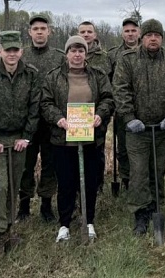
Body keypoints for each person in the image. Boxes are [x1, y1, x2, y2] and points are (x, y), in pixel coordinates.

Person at [113, 18, 165, 234]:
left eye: (157, 35)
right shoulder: (128, 60)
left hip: (163, 129)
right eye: (148, 35)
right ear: (142, 38)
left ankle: (156, 205)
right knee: (138, 171)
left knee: (157, 169)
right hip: (137, 130)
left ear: (162, 38)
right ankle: (140, 213)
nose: (153, 39)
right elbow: (120, 89)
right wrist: (129, 117)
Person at [40, 36, 114, 242]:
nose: (77, 54)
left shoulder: (98, 76)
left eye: (81, 50)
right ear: (66, 54)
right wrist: (59, 119)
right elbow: (45, 103)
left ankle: (88, 221)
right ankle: (64, 224)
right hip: (63, 140)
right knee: (66, 183)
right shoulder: (53, 77)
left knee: (90, 181)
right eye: (73, 50)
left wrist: (100, 113)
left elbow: (109, 98)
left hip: (91, 139)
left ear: (86, 53)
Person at [0, 31, 40, 241]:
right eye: (7, 50)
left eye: (15, 50)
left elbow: (34, 106)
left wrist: (27, 136)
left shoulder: (31, 74)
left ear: (21, 51)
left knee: (13, 185)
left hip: (19, 139)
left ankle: (9, 228)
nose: (11, 54)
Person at [19, 15, 63, 222]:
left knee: (50, 164)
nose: (39, 32)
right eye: (35, 28)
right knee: (25, 165)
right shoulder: (20, 56)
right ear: (29, 32)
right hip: (27, 122)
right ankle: (24, 206)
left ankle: (46, 205)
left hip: (51, 122)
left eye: (43, 28)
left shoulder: (59, 57)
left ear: (49, 31)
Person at [77, 20, 112, 192]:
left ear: (95, 35)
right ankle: (80, 185)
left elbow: (110, 85)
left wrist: (104, 112)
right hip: (76, 115)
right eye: (82, 32)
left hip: (98, 115)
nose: (86, 35)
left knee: (97, 151)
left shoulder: (104, 58)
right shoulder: (71, 54)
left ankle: (98, 185)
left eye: (89, 32)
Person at [107, 17, 140, 190]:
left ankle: (140, 179)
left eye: (133, 30)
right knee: (124, 148)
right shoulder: (113, 54)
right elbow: (109, 82)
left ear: (139, 32)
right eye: (127, 31)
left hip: (143, 108)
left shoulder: (146, 51)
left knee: (140, 147)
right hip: (121, 109)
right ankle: (126, 179)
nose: (130, 34)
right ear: (122, 33)